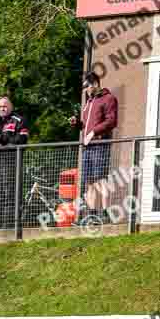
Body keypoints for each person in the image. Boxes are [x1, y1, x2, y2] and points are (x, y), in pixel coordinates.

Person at [70, 72, 119, 220]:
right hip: (87, 147)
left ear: (96, 83)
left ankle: (105, 212)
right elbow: (85, 125)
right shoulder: (89, 102)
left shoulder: (109, 98)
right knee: (89, 181)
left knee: (101, 179)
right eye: (84, 87)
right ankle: (92, 214)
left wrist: (94, 132)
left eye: (87, 86)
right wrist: (77, 124)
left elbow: (111, 121)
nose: (86, 90)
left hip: (100, 144)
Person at [0, 96, 29, 229]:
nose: (2, 109)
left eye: (5, 106)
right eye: (0, 106)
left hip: (11, 160)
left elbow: (22, 140)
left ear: (11, 107)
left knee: (10, 193)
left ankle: (9, 227)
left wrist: (2, 139)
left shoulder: (19, 120)